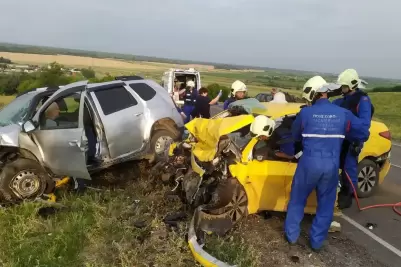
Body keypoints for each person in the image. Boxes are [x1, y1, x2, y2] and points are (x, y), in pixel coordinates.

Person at [284, 75, 370, 252]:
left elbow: (294, 136)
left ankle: (292, 236)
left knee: (297, 200)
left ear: (313, 94)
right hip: (331, 166)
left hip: (308, 164)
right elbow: (363, 133)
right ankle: (316, 242)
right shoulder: (343, 113)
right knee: (326, 204)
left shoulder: (305, 113)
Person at [332, 69, 373, 209]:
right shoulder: (341, 101)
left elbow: (363, 125)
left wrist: (355, 138)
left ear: (351, 85)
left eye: (343, 86)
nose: (341, 88)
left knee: (349, 168)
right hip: (340, 139)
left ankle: (347, 194)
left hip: (352, 141)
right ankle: (335, 192)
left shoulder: (363, 101)